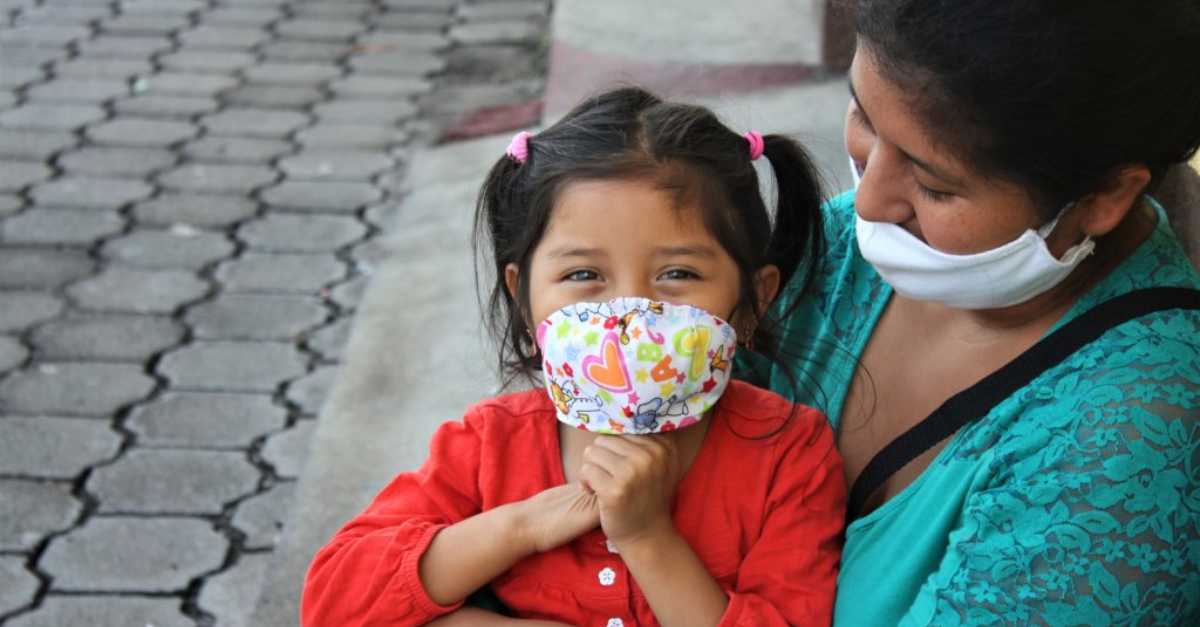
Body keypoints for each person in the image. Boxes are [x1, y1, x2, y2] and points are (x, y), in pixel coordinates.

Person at [301, 86, 846, 627]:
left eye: (677, 274)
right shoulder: (489, 445)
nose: (627, 315)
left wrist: (646, 535)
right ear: (525, 300)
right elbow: (334, 600)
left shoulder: (789, 455)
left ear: (753, 302)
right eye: (583, 275)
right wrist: (520, 528)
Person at [746, 1, 1200, 625]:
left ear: (1102, 199)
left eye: (934, 186)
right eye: (865, 119)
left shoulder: (1127, 445)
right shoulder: (837, 253)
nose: (869, 202)